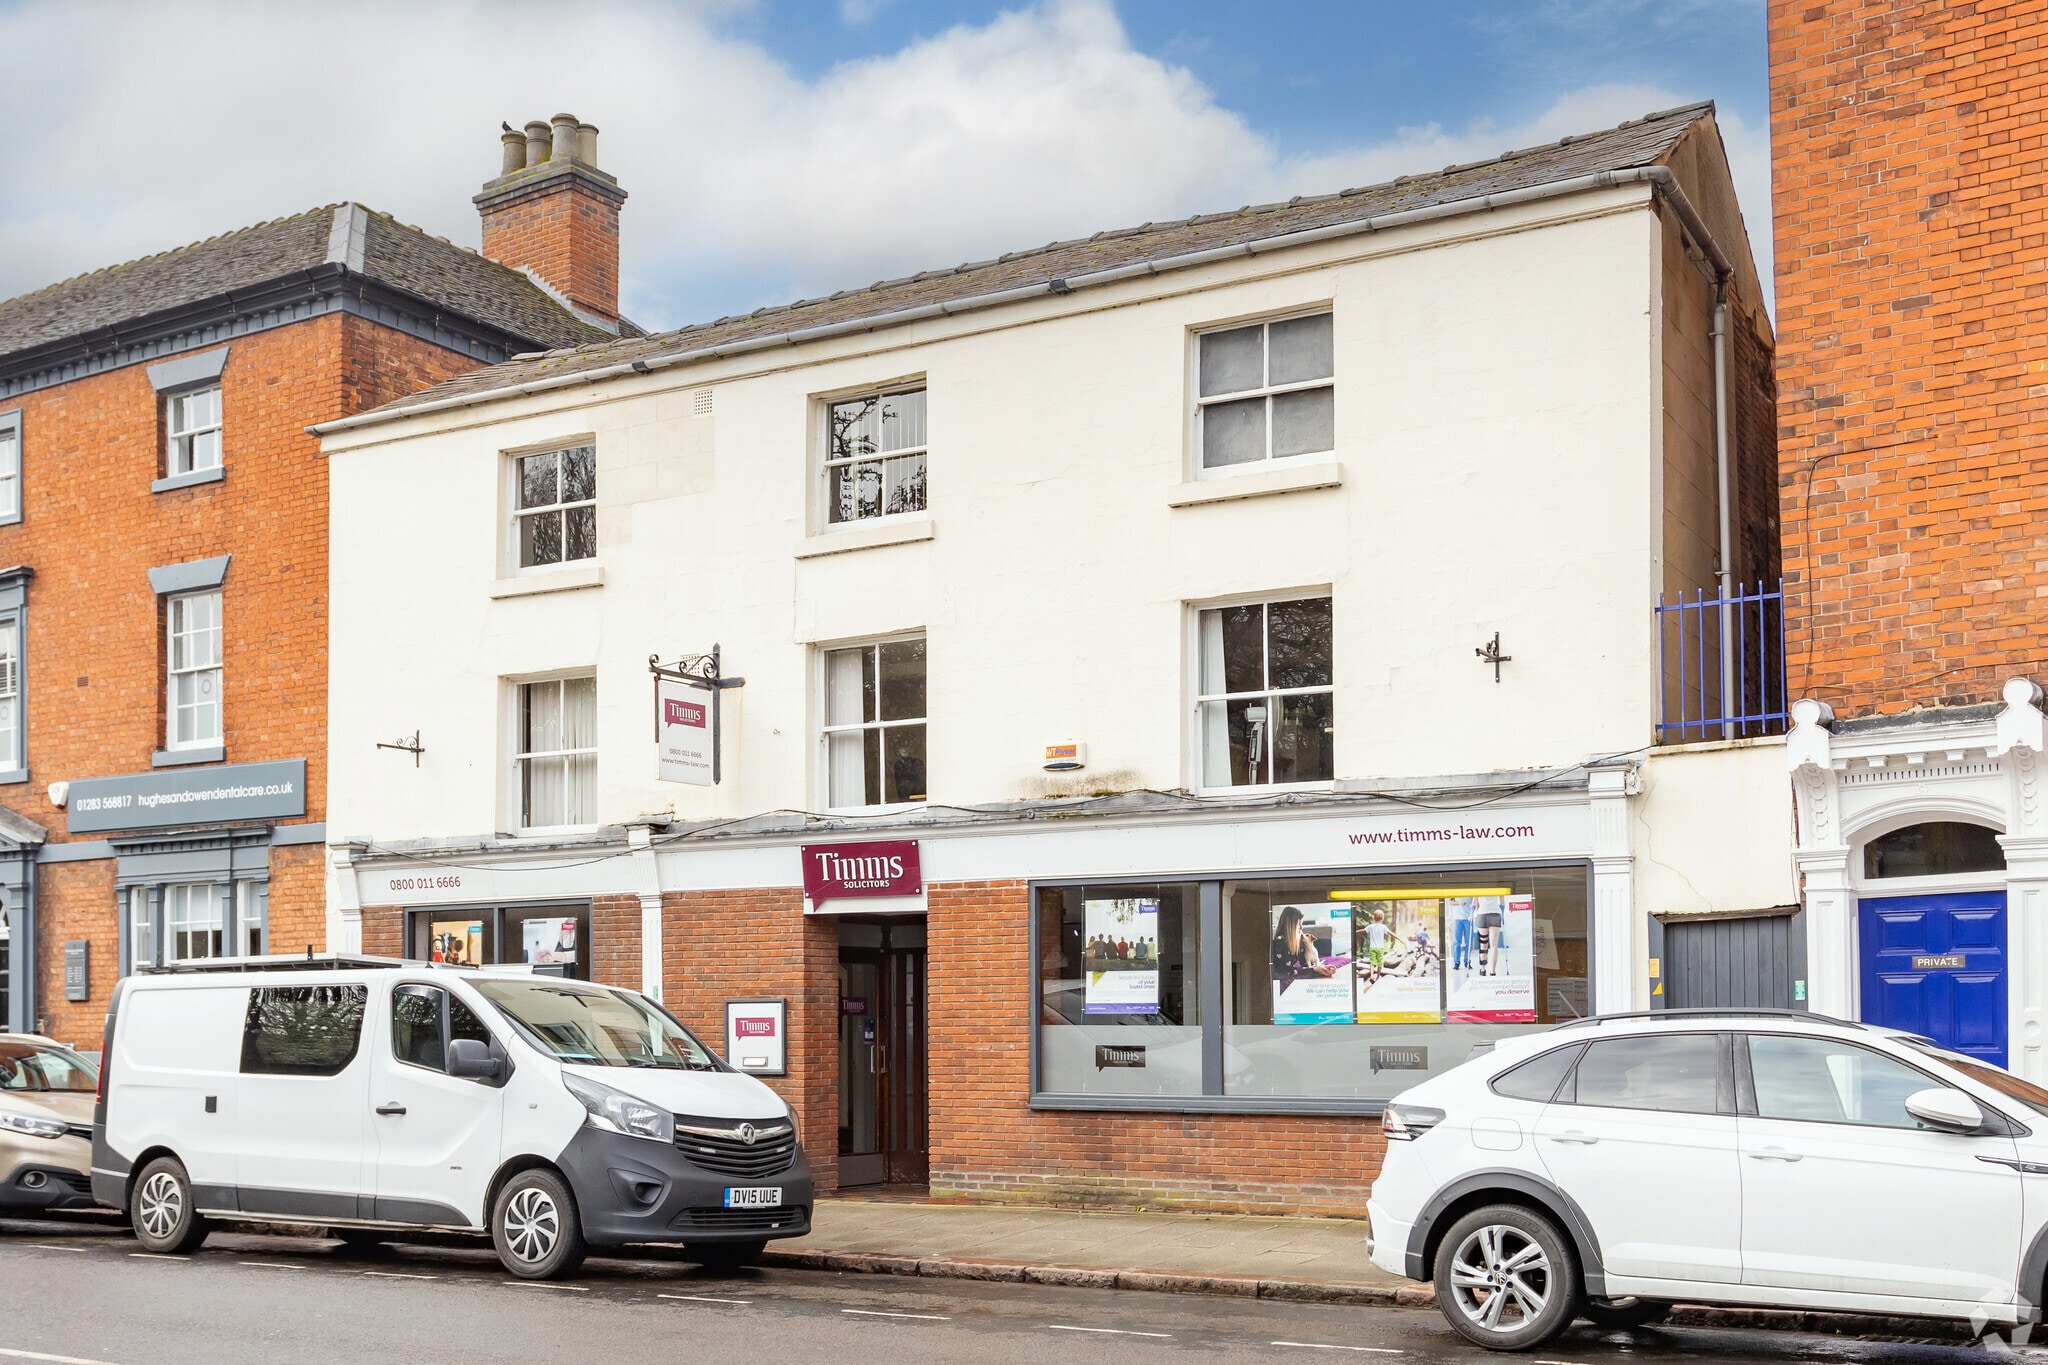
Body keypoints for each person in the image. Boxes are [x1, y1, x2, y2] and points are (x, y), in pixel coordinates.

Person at [1272, 907, 1334, 980]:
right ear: (1291, 926)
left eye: (1302, 924)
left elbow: (1305, 964)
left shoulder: (1299, 941)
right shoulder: (1279, 943)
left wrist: (1321, 968)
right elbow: (1286, 971)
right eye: (1299, 924)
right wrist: (1314, 970)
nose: (1301, 928)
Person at [1360, 908, 1409, 985]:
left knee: (1372, 963)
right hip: (1380, 948)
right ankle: (1378, 977)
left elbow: (1363, 930)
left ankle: (1371, 976)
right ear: (1382, 918)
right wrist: (1400, 939)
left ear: (1373, 918)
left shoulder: (1371, 926)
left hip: (1372, 948)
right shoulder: (1383, 927)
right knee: (1380, 963)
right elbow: (1392, 933)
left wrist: (1354, 932)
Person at [1449, 898, 1475, 972]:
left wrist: (1474, 913)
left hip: (1468, 919)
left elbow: (1475, 902)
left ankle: (1467, 962)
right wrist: (1458, 902)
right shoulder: (1455, 888)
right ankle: (1456, 963)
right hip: (1457, 918)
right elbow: (1450, 902)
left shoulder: (1471, 890)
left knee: (1468, 942)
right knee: (1457, 942)